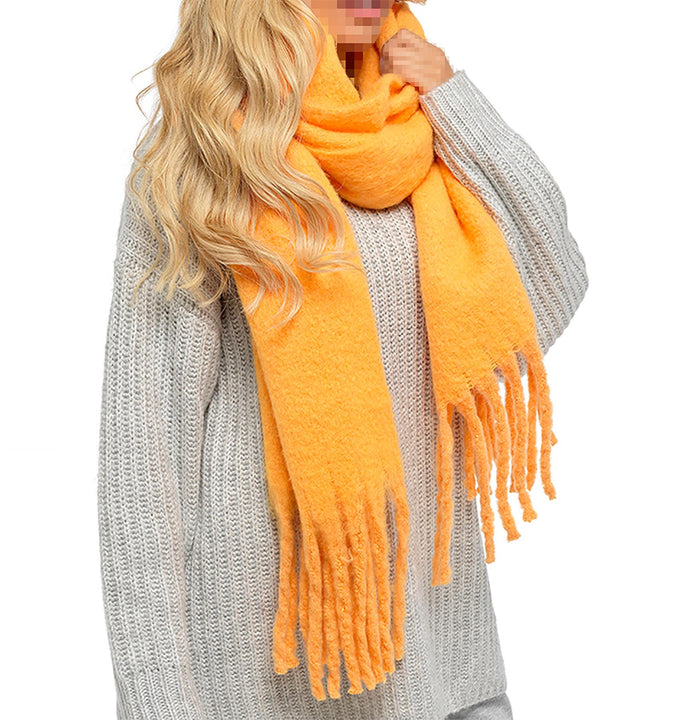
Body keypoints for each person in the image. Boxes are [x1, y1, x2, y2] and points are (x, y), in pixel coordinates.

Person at [96, 1, 588, 718]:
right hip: (256, 685)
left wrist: (454, 99)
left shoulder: (420, 134)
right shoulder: (201, 158)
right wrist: (156, 702)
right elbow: (144, 463)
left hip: (442, 674)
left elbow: (555, 279)